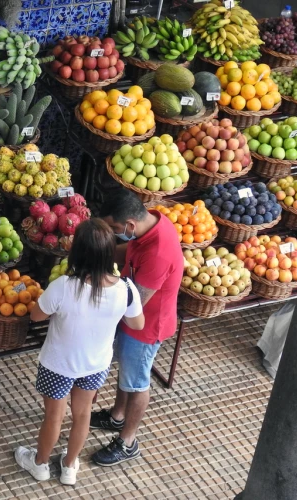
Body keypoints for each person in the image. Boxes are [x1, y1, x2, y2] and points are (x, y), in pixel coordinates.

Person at [14, 218, 145, 485]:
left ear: (77, 252)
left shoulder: (63, 285)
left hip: (58, 364)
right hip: (95, 365)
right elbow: (137, 323)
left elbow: (37, 315)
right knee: (82, 415)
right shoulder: (126, 289)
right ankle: (69, 466)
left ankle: (39, 463)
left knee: (54, 415)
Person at [90, 189, 184, 467]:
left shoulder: (158, 252)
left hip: (146, 326)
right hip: (133, 320)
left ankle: (128, 441)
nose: (115, 234)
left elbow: (135, 304)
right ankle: (117, 415)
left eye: (115, 230)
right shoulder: (150, 224)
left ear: (129, 225)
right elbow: (126, 251)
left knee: (137, 381)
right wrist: (94, 252)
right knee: (127, 373)